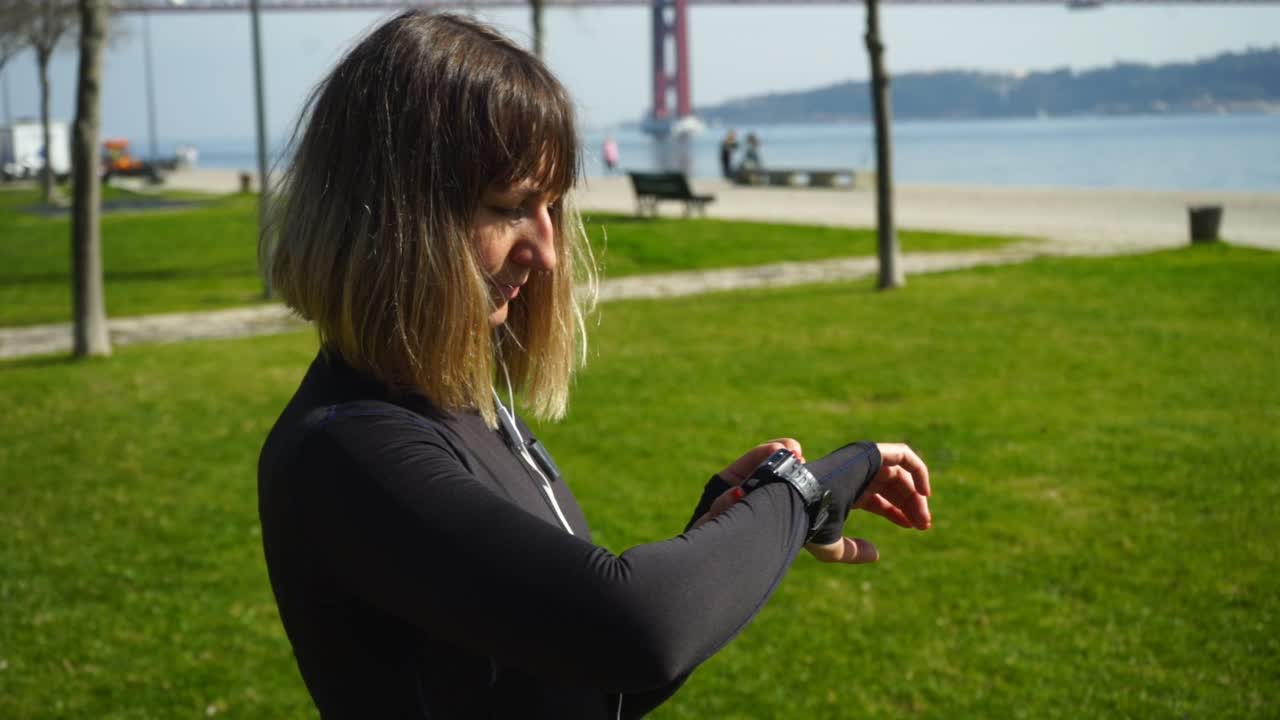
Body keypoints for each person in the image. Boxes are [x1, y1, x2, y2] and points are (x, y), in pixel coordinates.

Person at [257, 11, 933, 719]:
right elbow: (636, 629)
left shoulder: (461, 408)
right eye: (511, 207)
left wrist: (721, 529)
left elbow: (592, 674)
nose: (547, 252)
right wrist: (810, 488)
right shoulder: (348, 451)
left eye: (550, 206)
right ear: (398, 214)